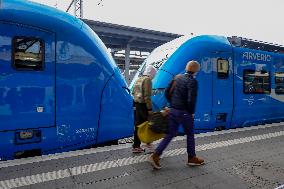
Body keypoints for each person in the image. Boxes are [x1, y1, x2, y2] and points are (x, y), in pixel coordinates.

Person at [149, 60, 204, 169]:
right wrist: (191, 112)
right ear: (196, 70)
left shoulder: (177, 77)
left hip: (173, 110)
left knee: (170, 134)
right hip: (184, 112)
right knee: (190, 134)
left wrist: (173, 104)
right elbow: (191, 99)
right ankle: (191, 158)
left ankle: (155, 155)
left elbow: (167, 93)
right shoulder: (192, 81)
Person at [132, 65, 157, 153]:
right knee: (146, 124)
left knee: (139, 125)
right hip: (143, 106)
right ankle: (140, 145)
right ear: (152, 73)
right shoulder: (148, 80)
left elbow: (133, 92)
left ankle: (143, 143)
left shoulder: (139, 79)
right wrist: (150, 109)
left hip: (137, 104)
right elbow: (147, 96)